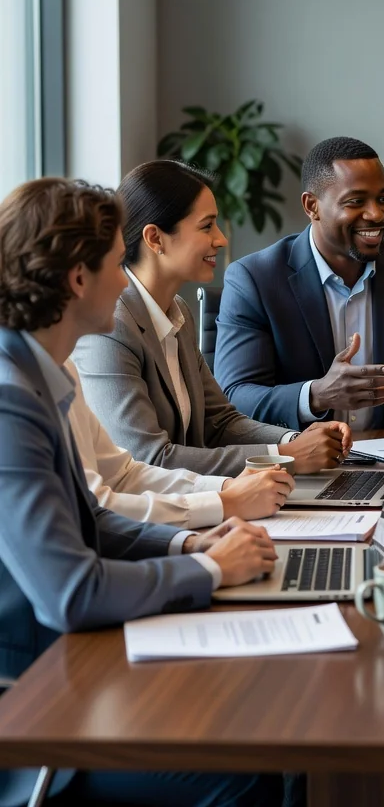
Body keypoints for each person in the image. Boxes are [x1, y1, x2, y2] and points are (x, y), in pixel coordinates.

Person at [0, 177, 286, 806]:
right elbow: (73, 592)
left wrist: (188, 543)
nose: (125, 273)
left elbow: (93, 516)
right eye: (114, 258)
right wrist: (209, 569)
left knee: (267, 730)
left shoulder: (37, 369)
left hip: (69, 665)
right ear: (79, 278)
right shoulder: (8, 400)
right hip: (32, 700)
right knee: (250, 772)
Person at [73, 161, 351, 477]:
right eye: (207, 226)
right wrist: (284, 456)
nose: (221, 239)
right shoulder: (111, 326)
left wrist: (297, 440)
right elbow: (148, 460)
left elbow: (219, 422)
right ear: (155, 238)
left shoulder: (178, 312)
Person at [213, 136, 384, 439]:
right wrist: (316, 395)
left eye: (383, 198)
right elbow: (234, 397)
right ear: (312, 206)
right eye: (356, 201)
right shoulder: (255, 279)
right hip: (296, 469)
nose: (377, 214)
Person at [66, 356, 294, 527]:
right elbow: (91, 511)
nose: (126, 288)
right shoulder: (113, 328)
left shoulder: (64, 368)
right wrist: (224, 503)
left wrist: (226, 488)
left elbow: (124, 474)